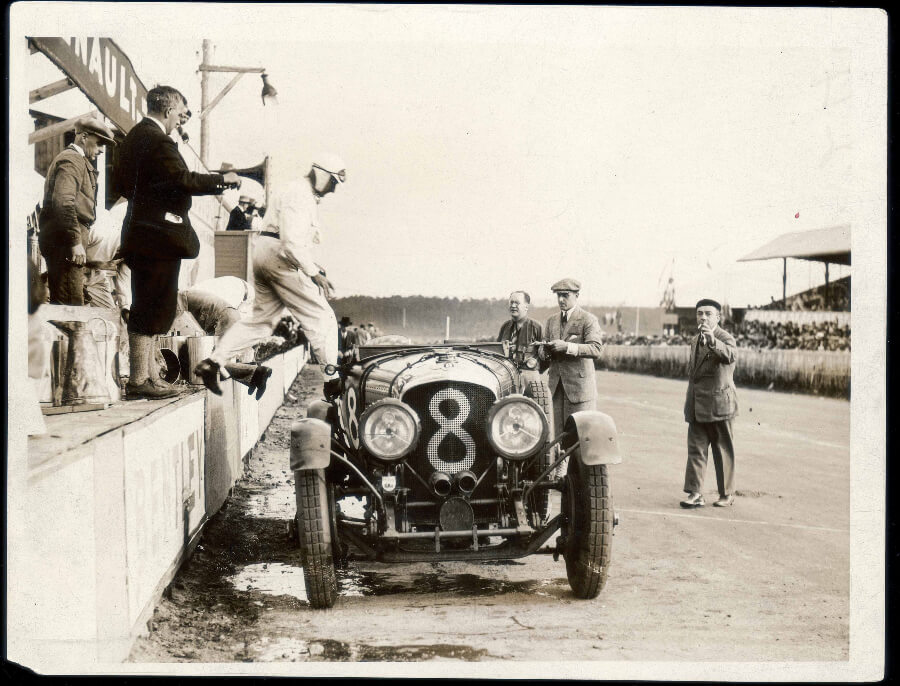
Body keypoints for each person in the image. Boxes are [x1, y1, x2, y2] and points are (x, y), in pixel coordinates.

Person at [113, 85, 240, 400]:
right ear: (168, 110)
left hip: (142, 234)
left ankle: (146, 377)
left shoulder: (133, 139)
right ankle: (142, 379)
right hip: (158, 238)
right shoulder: (158, 141)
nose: (180, 121)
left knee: (148, 304)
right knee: (154, 307)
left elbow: (126, 185)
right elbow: (183, 180)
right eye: (181, 114)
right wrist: (224, 179)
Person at [193, 154, 346, 399]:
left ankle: (213, 362)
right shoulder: (301, 195)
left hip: (267, 251)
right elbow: (291, 242)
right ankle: (332, 380)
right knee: (322, 316)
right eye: (333, 183)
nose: (332, 190)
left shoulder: (298, 192)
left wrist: (310, 265)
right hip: (278, 255)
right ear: (324, 174)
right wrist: (314, 273)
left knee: (261, 323)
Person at [38, 116, 116, 305]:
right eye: (98, 144)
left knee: (70, 303)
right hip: (65, 243)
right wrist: (74, 241)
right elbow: (64, 202)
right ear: (83, 137)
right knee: (71, 308)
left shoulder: (74, 160)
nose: (99, 151)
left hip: (63, 241)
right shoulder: (72, 160)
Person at [680, 298, 738, 509]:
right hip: (697, 404)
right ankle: (695, 493)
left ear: (718, 317)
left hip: (719, 405)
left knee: (722, 450)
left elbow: (731, 356)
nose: (703, 317)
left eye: (708, 313)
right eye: (699, 313)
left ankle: (727, 493)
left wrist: (713, 340)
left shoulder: (725, 337)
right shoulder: (695, 340)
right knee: (696, 449)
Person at [539, 278, 604, 446]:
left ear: (576, 295)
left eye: (565, 295)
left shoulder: (588, 319)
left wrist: (567, 347)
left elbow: (596, 349)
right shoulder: (551, 321)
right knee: (555, 438)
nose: (561, 299)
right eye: (558, 296)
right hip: (555, 389)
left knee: (581, 439)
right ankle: (559, 473)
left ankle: (578, 472)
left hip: (580, 390)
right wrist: (544, 351)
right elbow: (544, 348)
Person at [497, 290, 543, 369]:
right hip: (507, 375)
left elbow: (545, 356)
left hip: (528, 376)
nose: (513, 306)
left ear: (526, 307)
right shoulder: (505, 327)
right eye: (511, 303)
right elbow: (497, 351)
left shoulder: (537, 327)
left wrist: (533, 369)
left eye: (517, 303)